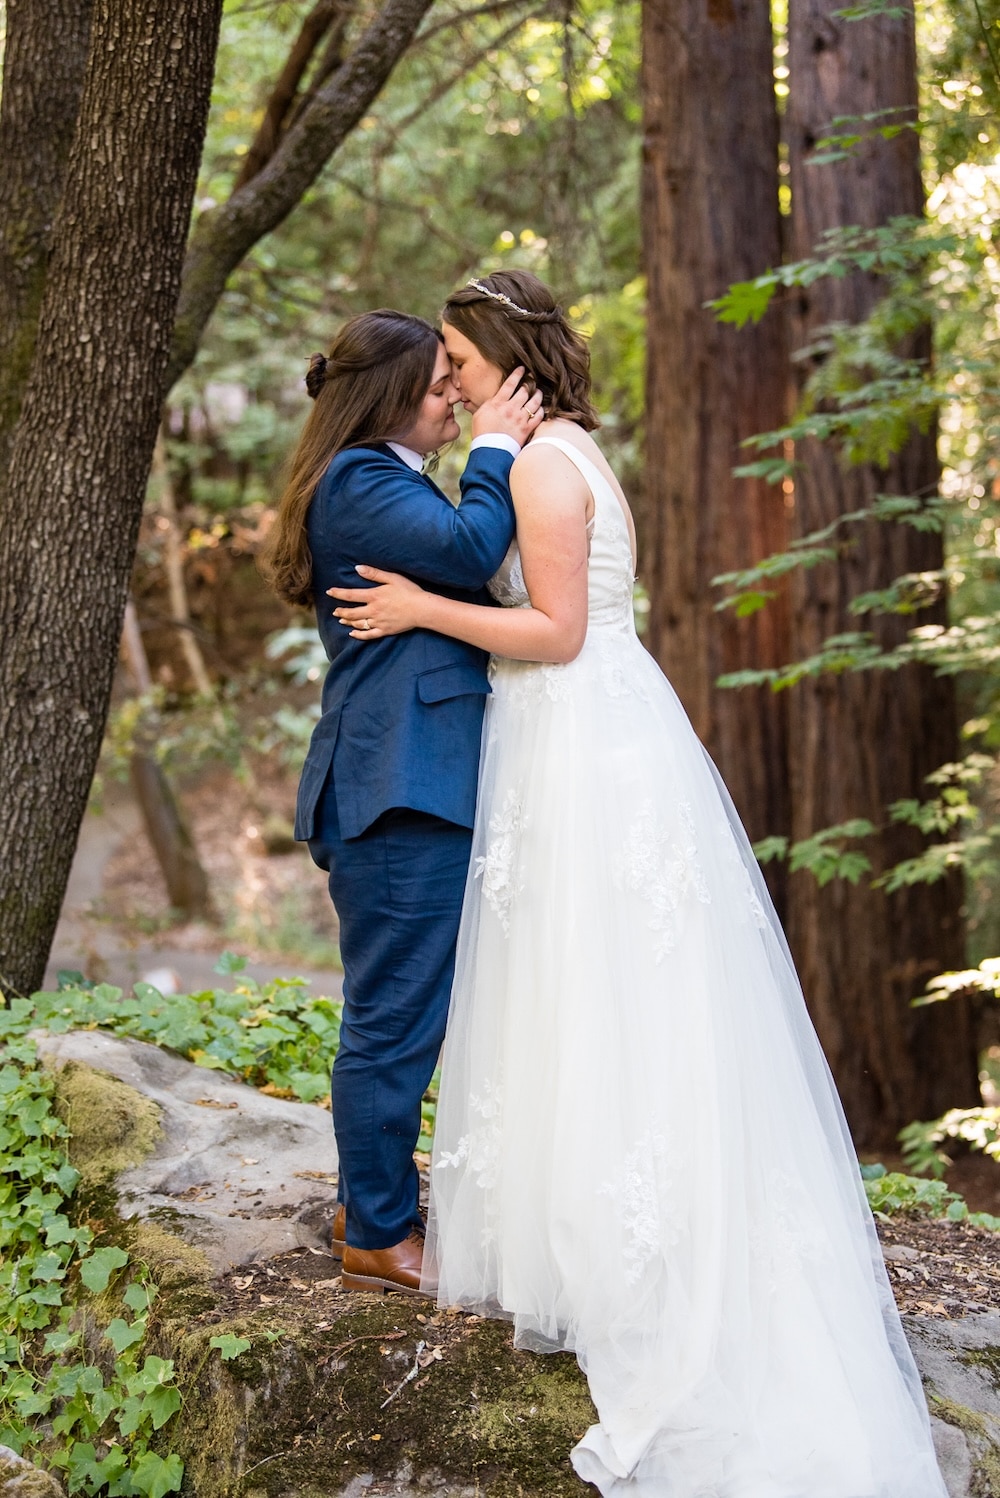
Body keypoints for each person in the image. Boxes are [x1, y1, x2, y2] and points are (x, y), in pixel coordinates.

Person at [327, 272, 948, 1496]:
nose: (444, 377)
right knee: (584, 983)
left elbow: (556, 630)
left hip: (575, 737)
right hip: (567, 735)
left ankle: (631, 1249)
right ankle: (571, 1220)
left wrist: (421, 607)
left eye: (455, 355)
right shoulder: (554, 451)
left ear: (507, 357)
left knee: (599, 982)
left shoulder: (548, 467)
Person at [261, 307, 542, 1295]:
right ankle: (377, 1234)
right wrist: (502, 448)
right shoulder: (359, 480)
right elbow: (469, 551)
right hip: (396, 788)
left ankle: (365, 1200)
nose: (454, 405)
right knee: (393, 1021)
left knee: (404, 1010)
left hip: (414, 779)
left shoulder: (378, 478)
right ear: (385, 394)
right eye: (437, 389)